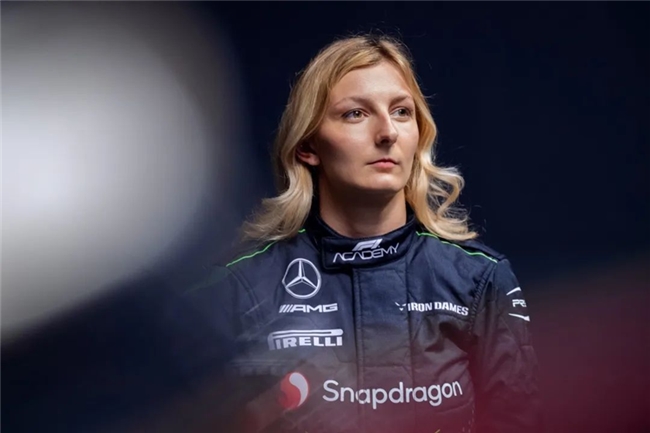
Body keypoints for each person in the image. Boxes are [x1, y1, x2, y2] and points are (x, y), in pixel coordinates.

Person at [182, 33, 542, 433]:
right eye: (356, 114)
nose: (387, 132)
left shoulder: (480, 280)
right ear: (307, 146)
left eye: (402, 112)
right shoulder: (240, 288)